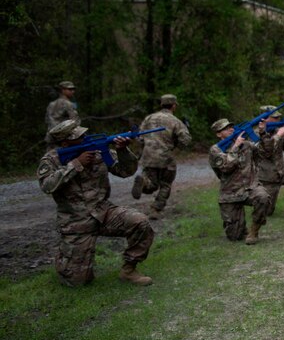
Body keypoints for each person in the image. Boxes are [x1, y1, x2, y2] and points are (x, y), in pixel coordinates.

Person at [37, 120, 155, 287]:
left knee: (140, 222)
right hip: (75, 222)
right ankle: (66, 258)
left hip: (104, 212)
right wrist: (76, 164)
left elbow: (125, 171)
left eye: (83, 134)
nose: (84, 138)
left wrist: (122, 151)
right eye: (79, 137)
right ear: (65, 142)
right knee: (77, 282)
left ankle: (128, 270)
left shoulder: (98, 150)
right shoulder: (51, 159)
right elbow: (47, 186)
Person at [208, 118, 273, 244]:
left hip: (250, 188)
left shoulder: (247, 145)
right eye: (226, 128)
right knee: (235, 236)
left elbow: (267, 153)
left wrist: (263, 133)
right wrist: (236, 146)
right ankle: (241, 228)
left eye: (231, 127)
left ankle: (254, 231)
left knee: (263, 197)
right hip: (230, 193)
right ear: (218, 134)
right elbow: (226, 167)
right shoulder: (215, 150)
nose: (231, 129)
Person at [131, 94, 192, 219]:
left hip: (148, 156)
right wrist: (184, 132)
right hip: (166, 158)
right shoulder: (175, 121)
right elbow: (185, 141)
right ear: (174, 106)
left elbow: (140, 138)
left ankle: (144, 183)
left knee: (152, 184)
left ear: (161, 104)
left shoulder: (149, 118)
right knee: (165, 184)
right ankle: (156, 209)